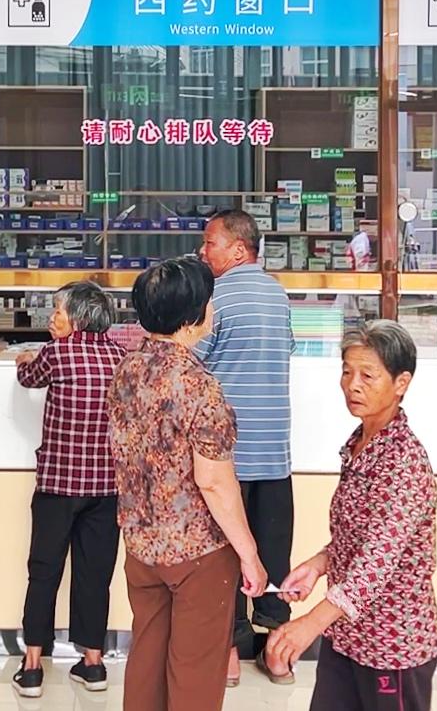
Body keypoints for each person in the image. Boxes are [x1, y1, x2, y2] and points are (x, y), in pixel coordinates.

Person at [109, 257, 269, 711]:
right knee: (195, 672)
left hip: (141, 545)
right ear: (192, 316)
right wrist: (249, 555)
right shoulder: (199, 386)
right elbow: (214, 481)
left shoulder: (127, 370)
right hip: (198, 552)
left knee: (146, 657)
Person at [268, 322, 437, 710]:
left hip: (391, 644)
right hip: (347, 634)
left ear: (401, 383)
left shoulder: (404, 462)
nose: (352, 385)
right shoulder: (359, 444)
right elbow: (359, 536)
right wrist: (318, 565)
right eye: (347, 372)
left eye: (368, 375)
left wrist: (309, 624)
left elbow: (377, 561)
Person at [10, 281, 125, 698]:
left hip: (58, 486)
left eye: (58, 311)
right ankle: (93, 663)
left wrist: (24, 358)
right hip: (106, 488)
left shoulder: (56, 353)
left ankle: (32, 667)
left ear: (76, 318)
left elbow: (28, 378)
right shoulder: (121, 356)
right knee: (95, 575)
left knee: (44, 572)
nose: (52, 318)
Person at [197, 209, 296, 684]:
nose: (203, 252)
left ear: (239, 249)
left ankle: (231, 654)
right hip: (274, 449)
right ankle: (278, 652)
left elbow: (192, 360)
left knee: (226, 553)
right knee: (273, 551)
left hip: (227, 453)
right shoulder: (279, 294)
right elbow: (286, 350)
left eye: (209, 243)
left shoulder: (214, 297)